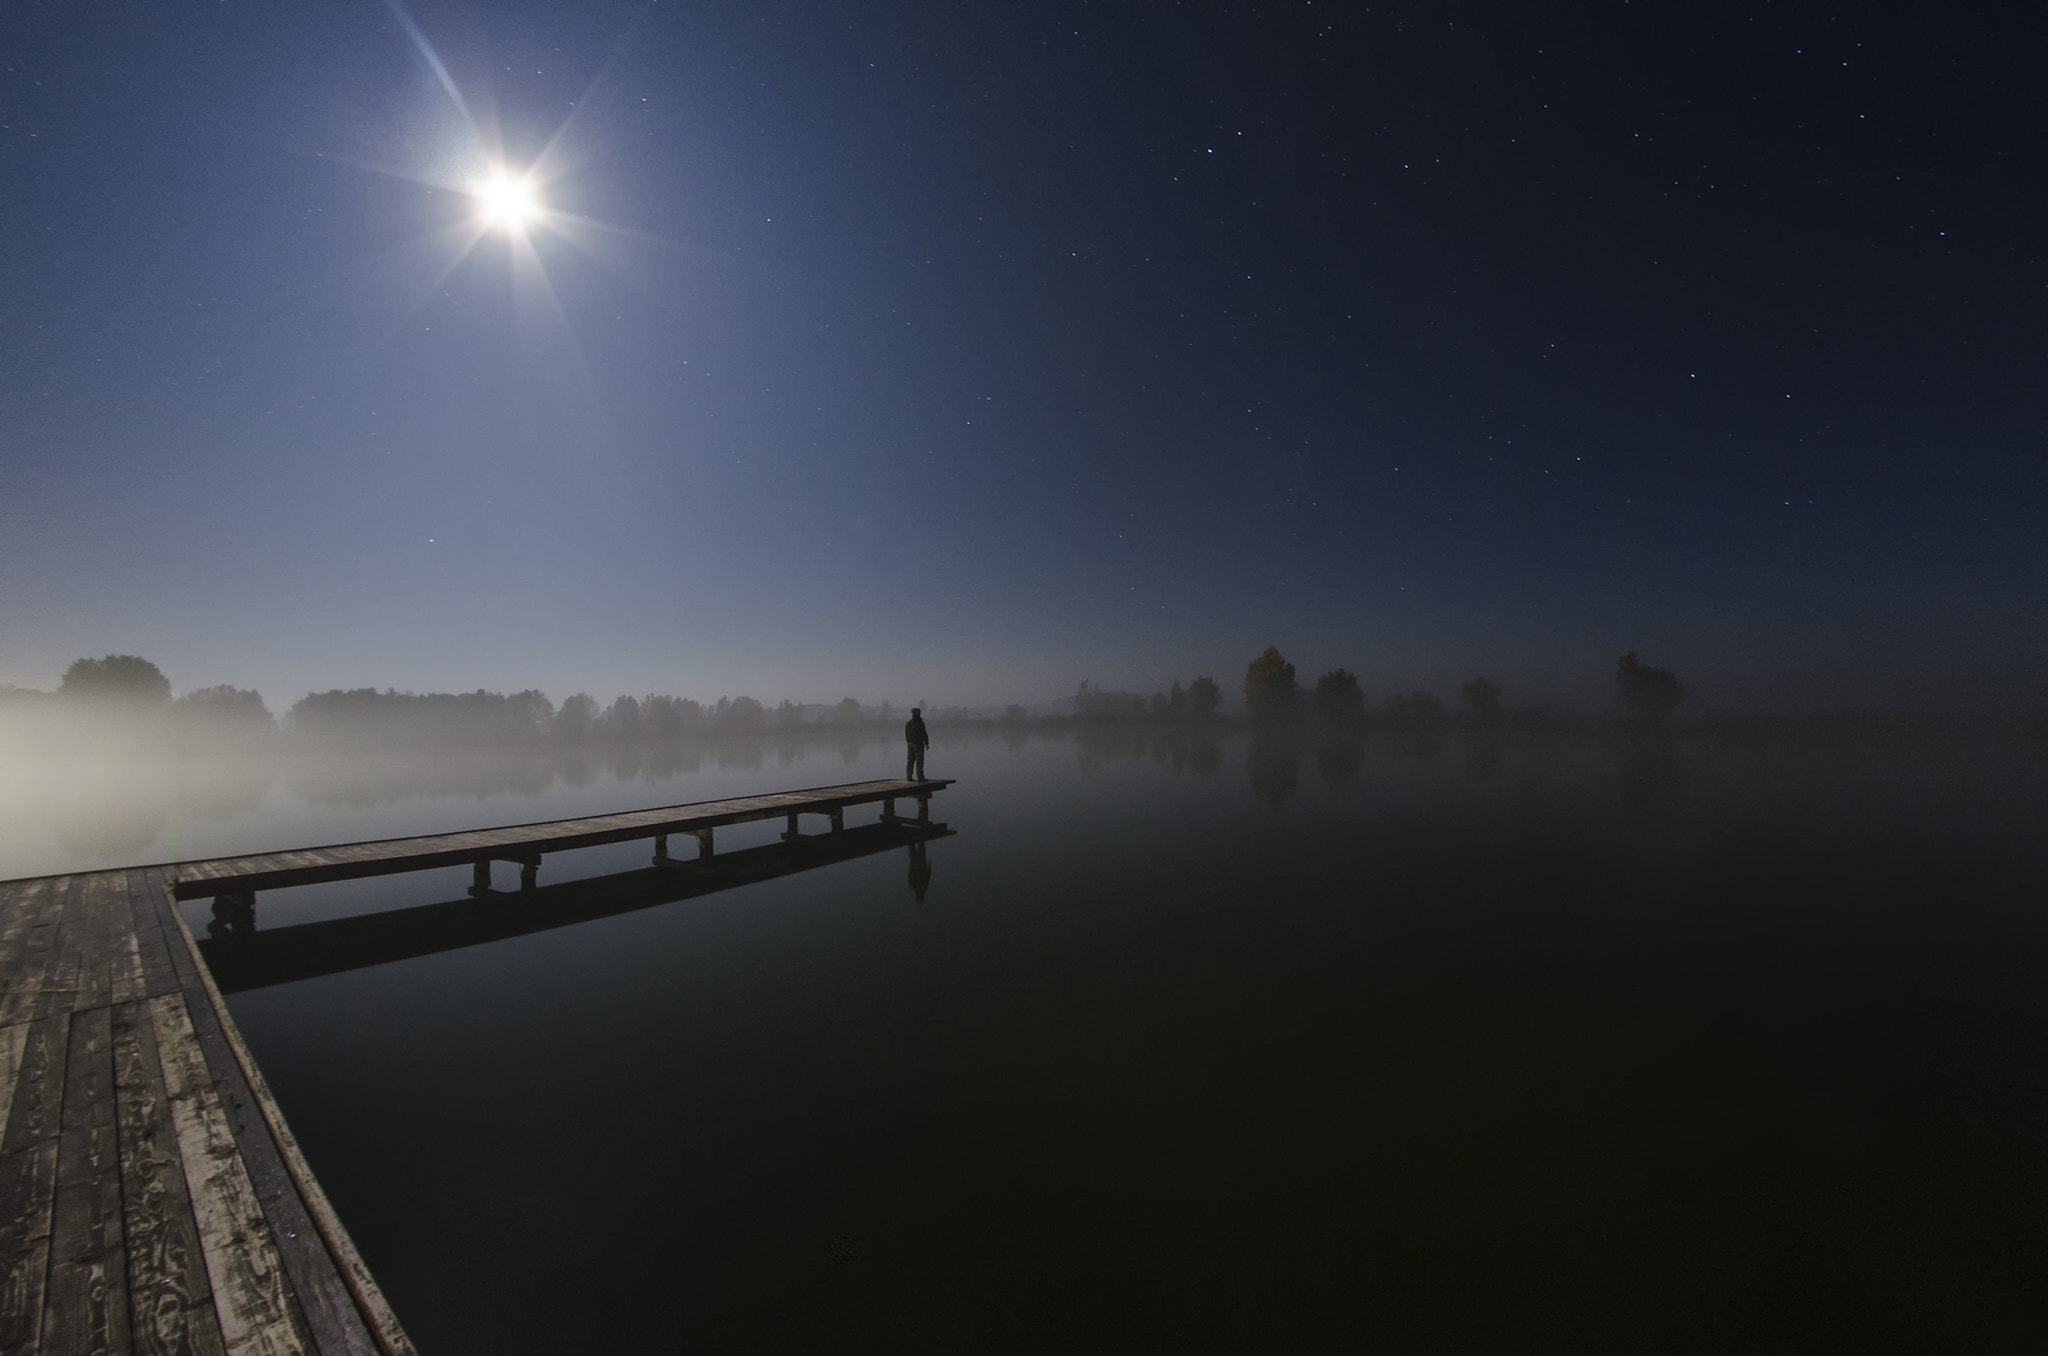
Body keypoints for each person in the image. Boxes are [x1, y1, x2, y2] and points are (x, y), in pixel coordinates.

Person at [904, 707, 930, 779]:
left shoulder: (908, 723)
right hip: (918, 744)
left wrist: (908, 742)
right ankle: (920, 777)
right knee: (919, 761)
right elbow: (923, 733)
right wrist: (927, 743)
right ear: (918, 713)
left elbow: (906, 734)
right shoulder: (920, 723)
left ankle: (909, 776)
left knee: (910, 761)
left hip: (910, 744)